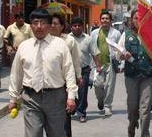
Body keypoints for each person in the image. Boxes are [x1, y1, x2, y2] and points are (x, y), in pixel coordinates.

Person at [8, 9, 77, 137]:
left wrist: (71, 96)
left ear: (50, 25)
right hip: (31, 97)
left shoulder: (60, 45)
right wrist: (13, 98)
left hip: (56, 98)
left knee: (57, 134)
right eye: (35, 22)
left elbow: (69, 71)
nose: (39, 26)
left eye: (43, 22)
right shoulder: (24, 46)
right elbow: (16, 74)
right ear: (31, 25)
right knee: (32, 134)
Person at [118, 9, 152, 137]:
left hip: (149, 75)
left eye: (141, 18)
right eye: (135, 18)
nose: (138, 20)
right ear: (131, 20)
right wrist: (122, 55)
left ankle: (145, 134)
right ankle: (131, 128)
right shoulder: (126, 35)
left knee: (145, 109)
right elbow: (117, 53)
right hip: (132, 76)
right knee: (133, 107)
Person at [49, 14, 82, 137]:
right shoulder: (45, 40)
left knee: (65, 115)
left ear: (62, 26)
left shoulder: (69, 40)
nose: (52, 26)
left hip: (65, 83)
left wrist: (78, 76)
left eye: (55, 23)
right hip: (50, 84)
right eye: (51, 23)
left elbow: (75, 60)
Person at [70, 16, 102, 123]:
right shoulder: (67, 39)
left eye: (79, 25)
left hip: (84, 70)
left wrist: (98, 66)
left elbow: (95, 53)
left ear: (83, 27)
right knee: (70, 91)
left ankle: (82, 113)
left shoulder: (88, 39)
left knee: (82, 92)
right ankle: (73, 108)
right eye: (75, 26)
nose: (77, 27)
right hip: (69, 71)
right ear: (71, 27)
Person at [90, 11, 121, 117]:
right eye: (102, 18)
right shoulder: (94, 33)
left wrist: (121, 64)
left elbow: (120, 49)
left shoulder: (116, 33)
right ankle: (100, 101)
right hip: (97, 64)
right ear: (100, 20)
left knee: (109, 86)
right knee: (97, 85)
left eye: (107, 18)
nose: (104, 20)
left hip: (111, 63)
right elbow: (91, 48)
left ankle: (107, 106)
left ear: (110, 20)